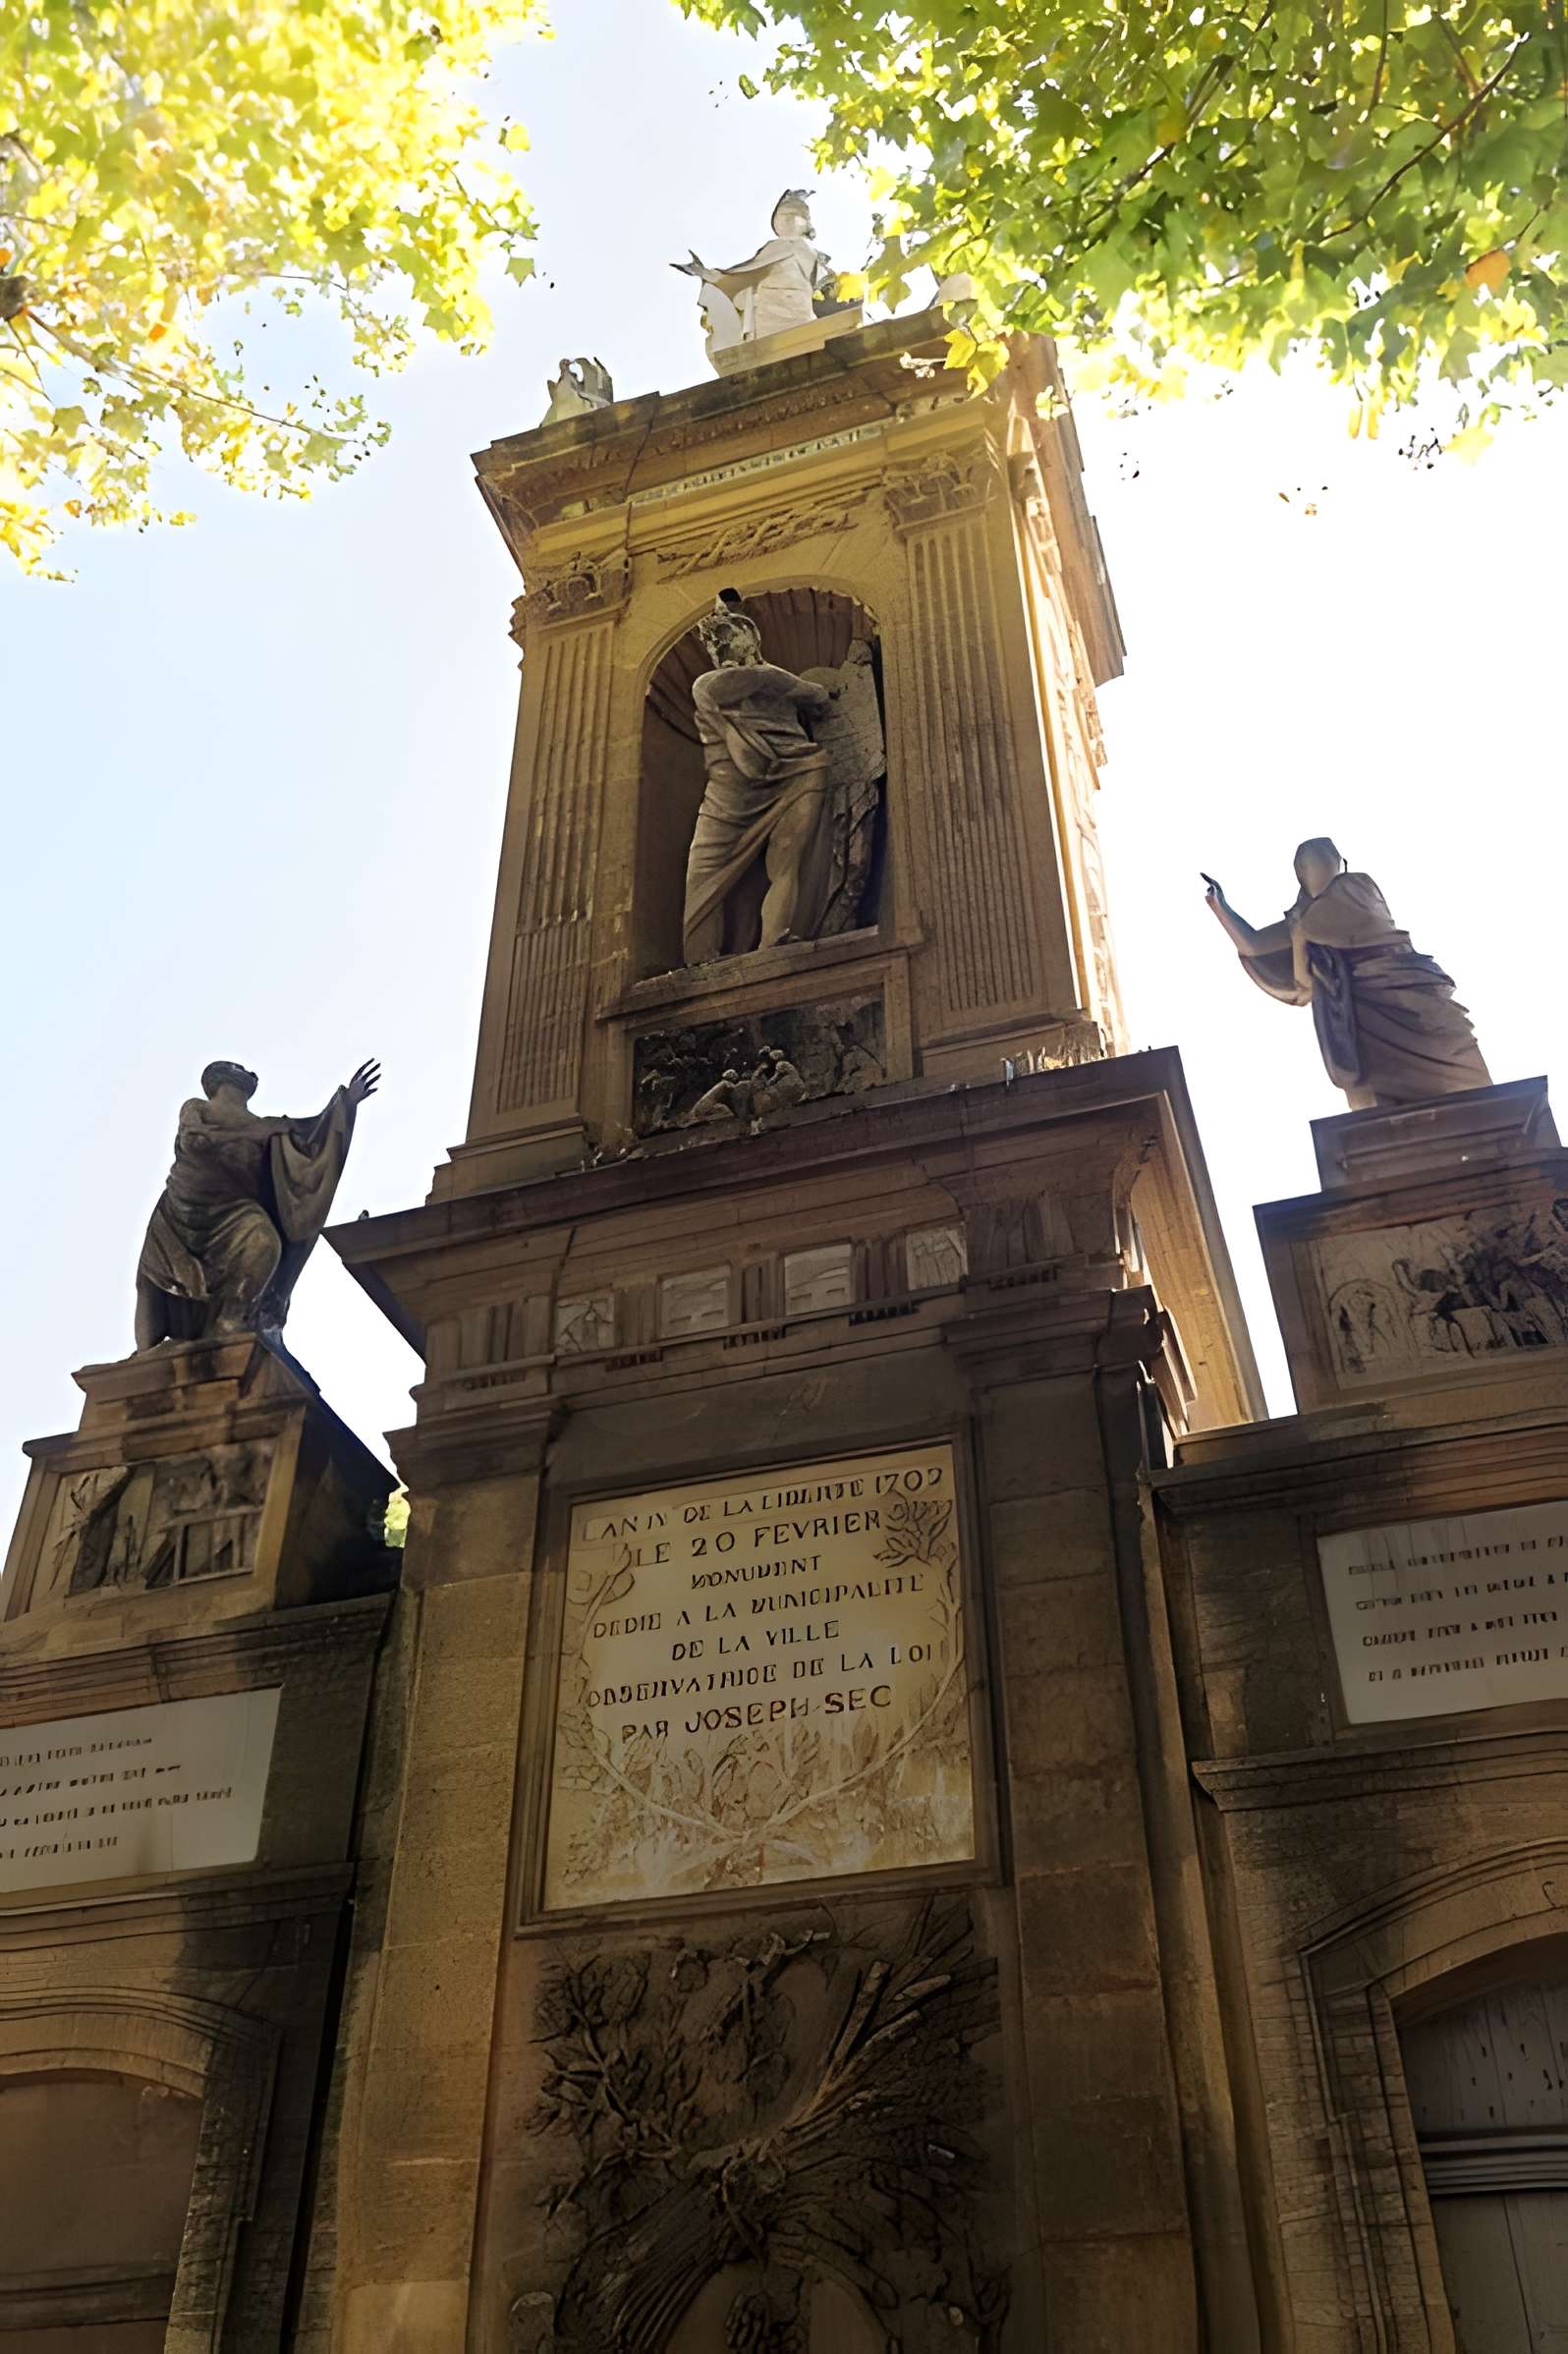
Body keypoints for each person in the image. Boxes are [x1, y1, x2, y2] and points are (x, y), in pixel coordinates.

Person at [1204, 840, 1490, 1109]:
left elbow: (1296, 953)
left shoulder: (1356, 888)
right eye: (1305, 867)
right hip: (1357, 1013)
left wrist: (1299, 938)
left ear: (1338, 863)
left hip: (1403, 992)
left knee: (1458, 1075)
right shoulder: (1302, 919)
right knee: (1376, 1089)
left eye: (1320, 861)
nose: (1315, 871)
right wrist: (1220, 906)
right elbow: (1255, 946)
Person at [135, 1057, 379, 1350]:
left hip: (237, 1214)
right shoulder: (198, 1107)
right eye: (239, 1068)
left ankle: (230, 1321)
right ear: (218, 1078)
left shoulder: (268, 1129)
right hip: (180, 1211)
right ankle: (144, 1355)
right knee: (151, 1282)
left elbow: (311, 1137)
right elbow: (194, 1140)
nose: (250, 1072)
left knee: (265, 1243)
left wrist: (346, 1103)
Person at [683, 596, 833, 962]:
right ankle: (700, 961)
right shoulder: (712, 684)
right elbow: (810, 695)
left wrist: (780, 682)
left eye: (724, 635)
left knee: (787, 860)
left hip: (797, 771)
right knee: (703, 874)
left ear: (750, 640)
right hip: (731, 793)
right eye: (712, 641)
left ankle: (774, 943)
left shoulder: (768, 680)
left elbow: (820, 698)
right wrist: (776, 679)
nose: (717, 646)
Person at [672, 190, 838, 360]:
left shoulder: (805, 249)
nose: (794, 221)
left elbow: (825, 281)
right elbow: (748, 274)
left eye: (800, 217)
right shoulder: (777, 248)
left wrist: (842, 288)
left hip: (800, 313)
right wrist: (706, 274)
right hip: (770, 316)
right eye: (788, 217)